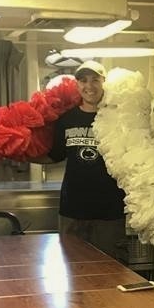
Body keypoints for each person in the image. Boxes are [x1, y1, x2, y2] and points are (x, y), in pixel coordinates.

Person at [39, 61, 128, 261]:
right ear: (77, 85)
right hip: (73, 209)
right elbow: (55, 155)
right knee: (72, 270)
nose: (89, 86)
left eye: (95, 80)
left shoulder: (119, 119)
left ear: (104, 82)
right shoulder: (66, 119)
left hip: (109, 211)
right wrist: (16, 153)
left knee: (112, 271)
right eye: (83, 80)